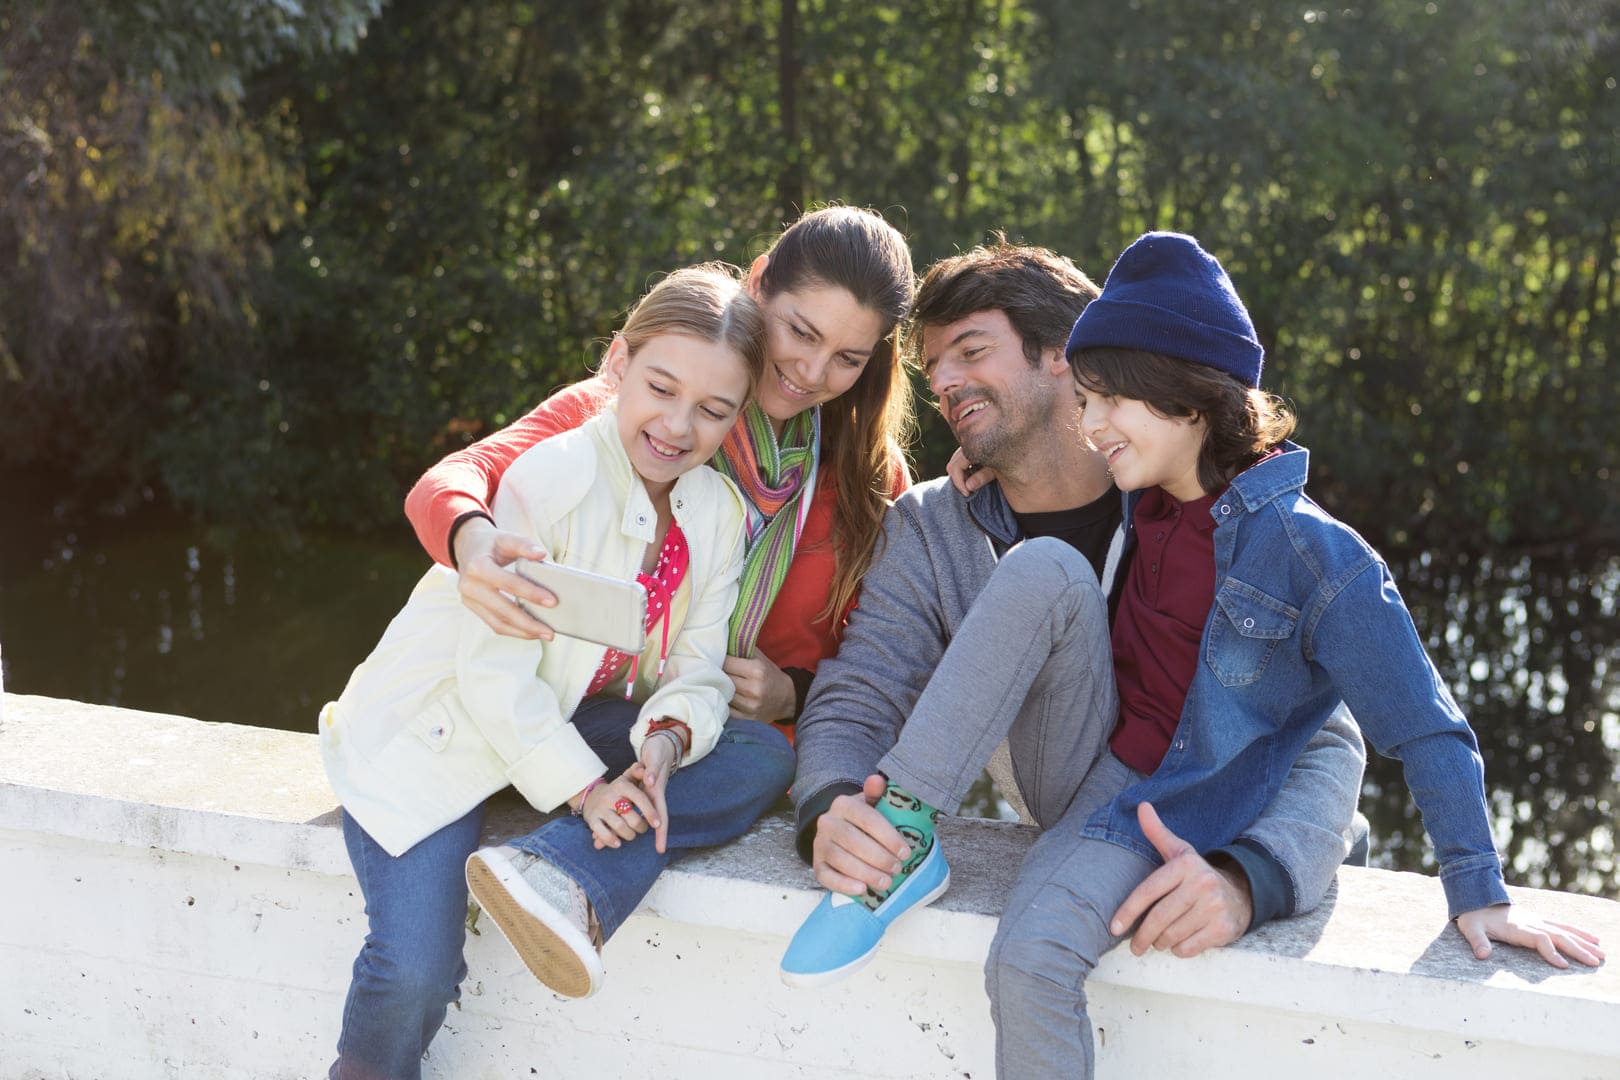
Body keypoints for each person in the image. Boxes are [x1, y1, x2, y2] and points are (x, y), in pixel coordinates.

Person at [789, 235, 1604, 1076]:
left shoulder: (1214, 513)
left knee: (1054, 573)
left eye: (972, 351)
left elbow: (1339, 730)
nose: (947, 383)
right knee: (1044, 570)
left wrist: (1259, 875)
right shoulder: (946, 522)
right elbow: (861, 686)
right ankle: (904, 830)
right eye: (933, 371)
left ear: (1070, 360)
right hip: (1094, 789)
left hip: (1218, 808)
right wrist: (831, 806)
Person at [320, 264, 798, 1080]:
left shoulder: (716, 515)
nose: (679, 425)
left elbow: (697, 670)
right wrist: (587, 791)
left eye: (715, 410)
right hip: (444, 731)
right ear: (619, 361)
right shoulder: (547, 480)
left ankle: (556, 868)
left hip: (568, 716)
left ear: (739, 414)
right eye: (660, 386)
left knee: (763, 755)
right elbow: (492, 680)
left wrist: (663, 749)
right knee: (417, 971)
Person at [404, 206, 916, 735]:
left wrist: (794, 693)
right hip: (593, 719)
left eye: (848, 359)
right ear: (760, 282)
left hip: (760, 751)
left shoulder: (872, 475)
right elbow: (453, 479)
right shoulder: (639, 413)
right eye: (801, 333)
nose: (812, 373)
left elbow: (893, 658)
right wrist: (471, 543)